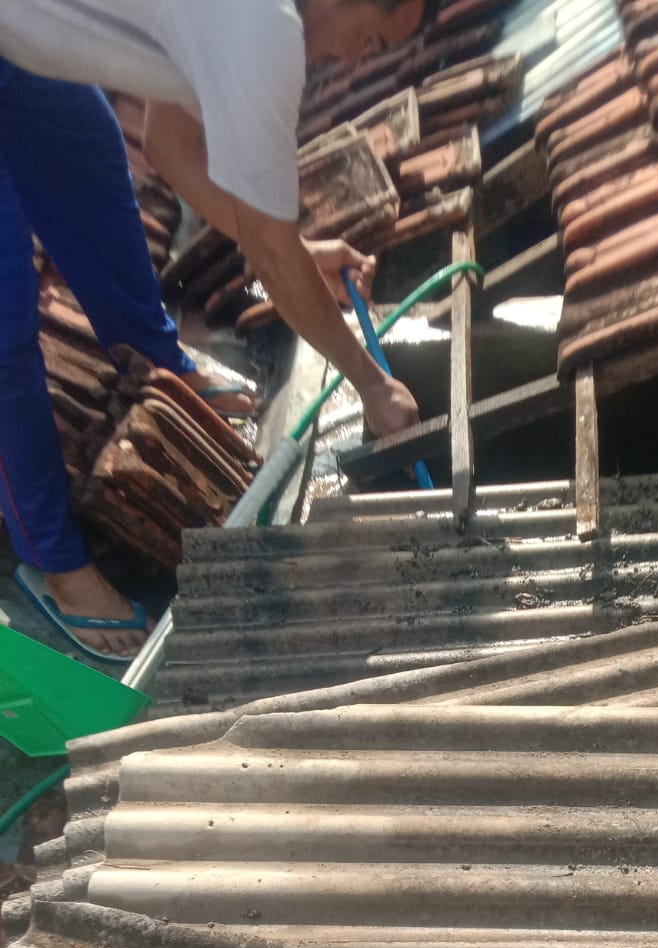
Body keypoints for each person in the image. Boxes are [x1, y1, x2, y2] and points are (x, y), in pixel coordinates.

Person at [0, 0, 424, 660]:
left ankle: (159, 367)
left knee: (91, 167)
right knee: (6, 314)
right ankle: (55, 563)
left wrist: (296, 249)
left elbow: (169, 147)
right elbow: (269, 249)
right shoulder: (267, 28)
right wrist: (372, 385)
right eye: (370, 39)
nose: (357, 60)